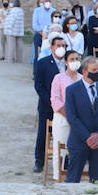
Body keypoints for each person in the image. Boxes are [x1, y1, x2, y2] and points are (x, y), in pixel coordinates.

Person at [65, 57, 98, 183]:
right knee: (73, 179)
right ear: (85, 71)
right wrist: (88, 137)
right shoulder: (72, 90)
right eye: (94, 70)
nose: (97, 72)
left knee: (96, 181)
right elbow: (72, 117)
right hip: (78, 141)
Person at [32, 34, 66, 172]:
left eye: (63, 45)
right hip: (47, 106)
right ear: (52, 47)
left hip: (66, 107)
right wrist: (52, 102)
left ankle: (66, 161)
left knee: (66, 133)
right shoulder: (43, 63)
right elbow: (39, 86)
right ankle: (39, 161)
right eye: (58, 45)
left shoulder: (69, 63)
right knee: (43, 134)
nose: (61, 48)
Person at [49, 49, 83, 178]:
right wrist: (69, 115)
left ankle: (73, 177)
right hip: (62, 118)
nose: (75, 62)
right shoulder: (59, 78)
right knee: (60, 150)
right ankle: (58, 177)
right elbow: (55, 99)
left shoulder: (82, 79)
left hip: (79, 120)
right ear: (66, 62)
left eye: (77, 59)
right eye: (72, 59)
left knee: (77, 150)